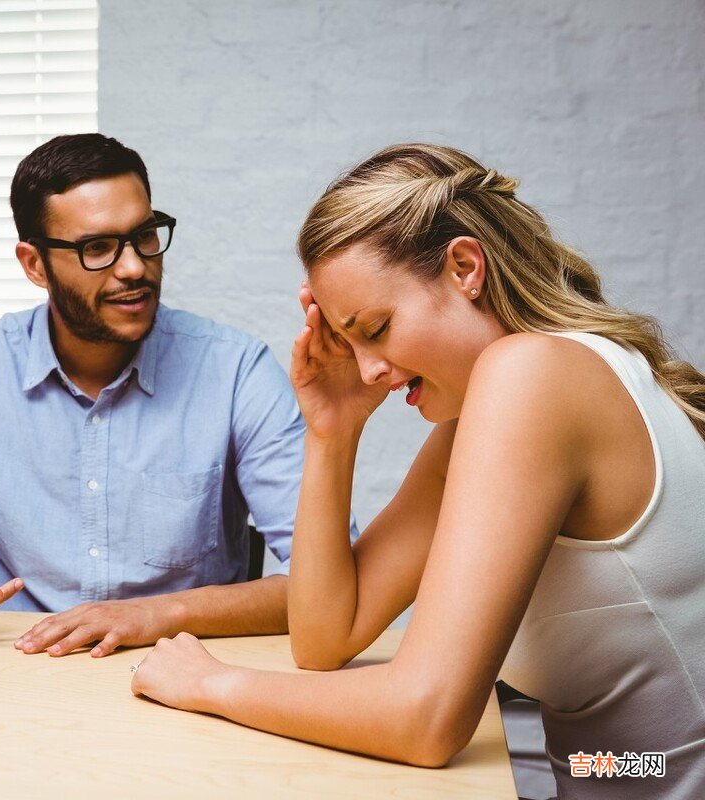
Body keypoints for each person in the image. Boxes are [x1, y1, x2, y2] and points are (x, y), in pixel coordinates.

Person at [131, 143, 705, 799]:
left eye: (375, 327)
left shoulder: (533, 375)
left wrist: (210, 683)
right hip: (606, 775)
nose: (369, 368)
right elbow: (325, 637)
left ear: (465, 267)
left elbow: (425, 719)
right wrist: (333, 430)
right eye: (349, 342)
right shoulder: (511, 402)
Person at [0, 133, 328, 658]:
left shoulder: (235, 372)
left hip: (176, 675)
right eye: (98, 248)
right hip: (3, 676)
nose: (135, 266)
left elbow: (326, 580)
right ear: (34, 265)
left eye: (144, 235)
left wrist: (158, 614)